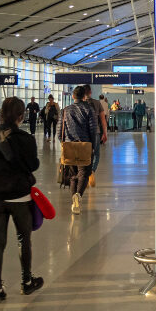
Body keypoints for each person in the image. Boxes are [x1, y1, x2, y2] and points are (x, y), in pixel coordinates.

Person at [0, 97, 44, 304]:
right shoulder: (25, 138)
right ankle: (26, 282)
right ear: (21, 115)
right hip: (20, 197)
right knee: (24, 240)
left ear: (0, 113)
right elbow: (33, 165)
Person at [59, 85, 97, 214]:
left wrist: (64, 142)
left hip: (69, 145)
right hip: (84, 145)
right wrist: (93, 146)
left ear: (73, 96)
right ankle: (78, 196)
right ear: (84, 96)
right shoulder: (89, 109)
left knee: (72, 175)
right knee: (84, 173)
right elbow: (93, 130)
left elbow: (60, 132)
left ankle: (74, 201)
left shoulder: (65, 110)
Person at [82, 85, 107, 187]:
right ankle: (92, 171)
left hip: (83, 133)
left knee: (84, 154)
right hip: (95, 132)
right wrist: (105, 133)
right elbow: (103, 120)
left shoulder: (81, 104)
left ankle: (84, 174)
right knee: (96, 153)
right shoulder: (97, 103)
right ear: (91, 92)